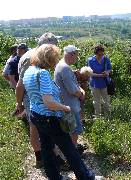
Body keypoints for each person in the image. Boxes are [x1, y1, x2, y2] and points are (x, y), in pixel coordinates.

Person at [23, 44, 97, 180]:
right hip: (49, 118)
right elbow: (49, 102)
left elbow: (33, 95)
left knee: (46, 149)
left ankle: (54, 177)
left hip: (36, 115)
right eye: (54, 59)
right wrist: (65, 108)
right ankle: (86, 177)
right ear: (48, 59)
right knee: (70, 150)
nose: (56, 62)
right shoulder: (43, 73)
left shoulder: (29, 70)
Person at [15, 32, 59, 168]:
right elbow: (20, 85)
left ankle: (44, 157)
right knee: (36, 126)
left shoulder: (32, 54)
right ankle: (43, 158)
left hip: (36, 95)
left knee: (37, 125)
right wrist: (19, 103)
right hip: (33, 96)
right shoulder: (32, 58)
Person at [54, 45, 85, 150]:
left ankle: (68, 152)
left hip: (64, 103)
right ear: (71, 54)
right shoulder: (65, 68)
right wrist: (82, 94)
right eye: (76, 55)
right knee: (74, 131)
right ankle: (73, 154)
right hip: (70, 105)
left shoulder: (60, 65)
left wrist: (79, 89)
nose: (77, 57)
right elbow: (72, 91)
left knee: (68, 130)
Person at [87, 45, 112, 118]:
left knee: (106, 101)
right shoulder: (90, 60)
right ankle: (98, 117)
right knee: (96, 101)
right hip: (94, 84)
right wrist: (100, 75)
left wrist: (107, 72)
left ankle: (107, 116)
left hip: (105, 83)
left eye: (102, 54)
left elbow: (110, 69)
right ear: (95, 54)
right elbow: (89, 73)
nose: (101, 56)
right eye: (99, 54)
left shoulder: (106, 59)